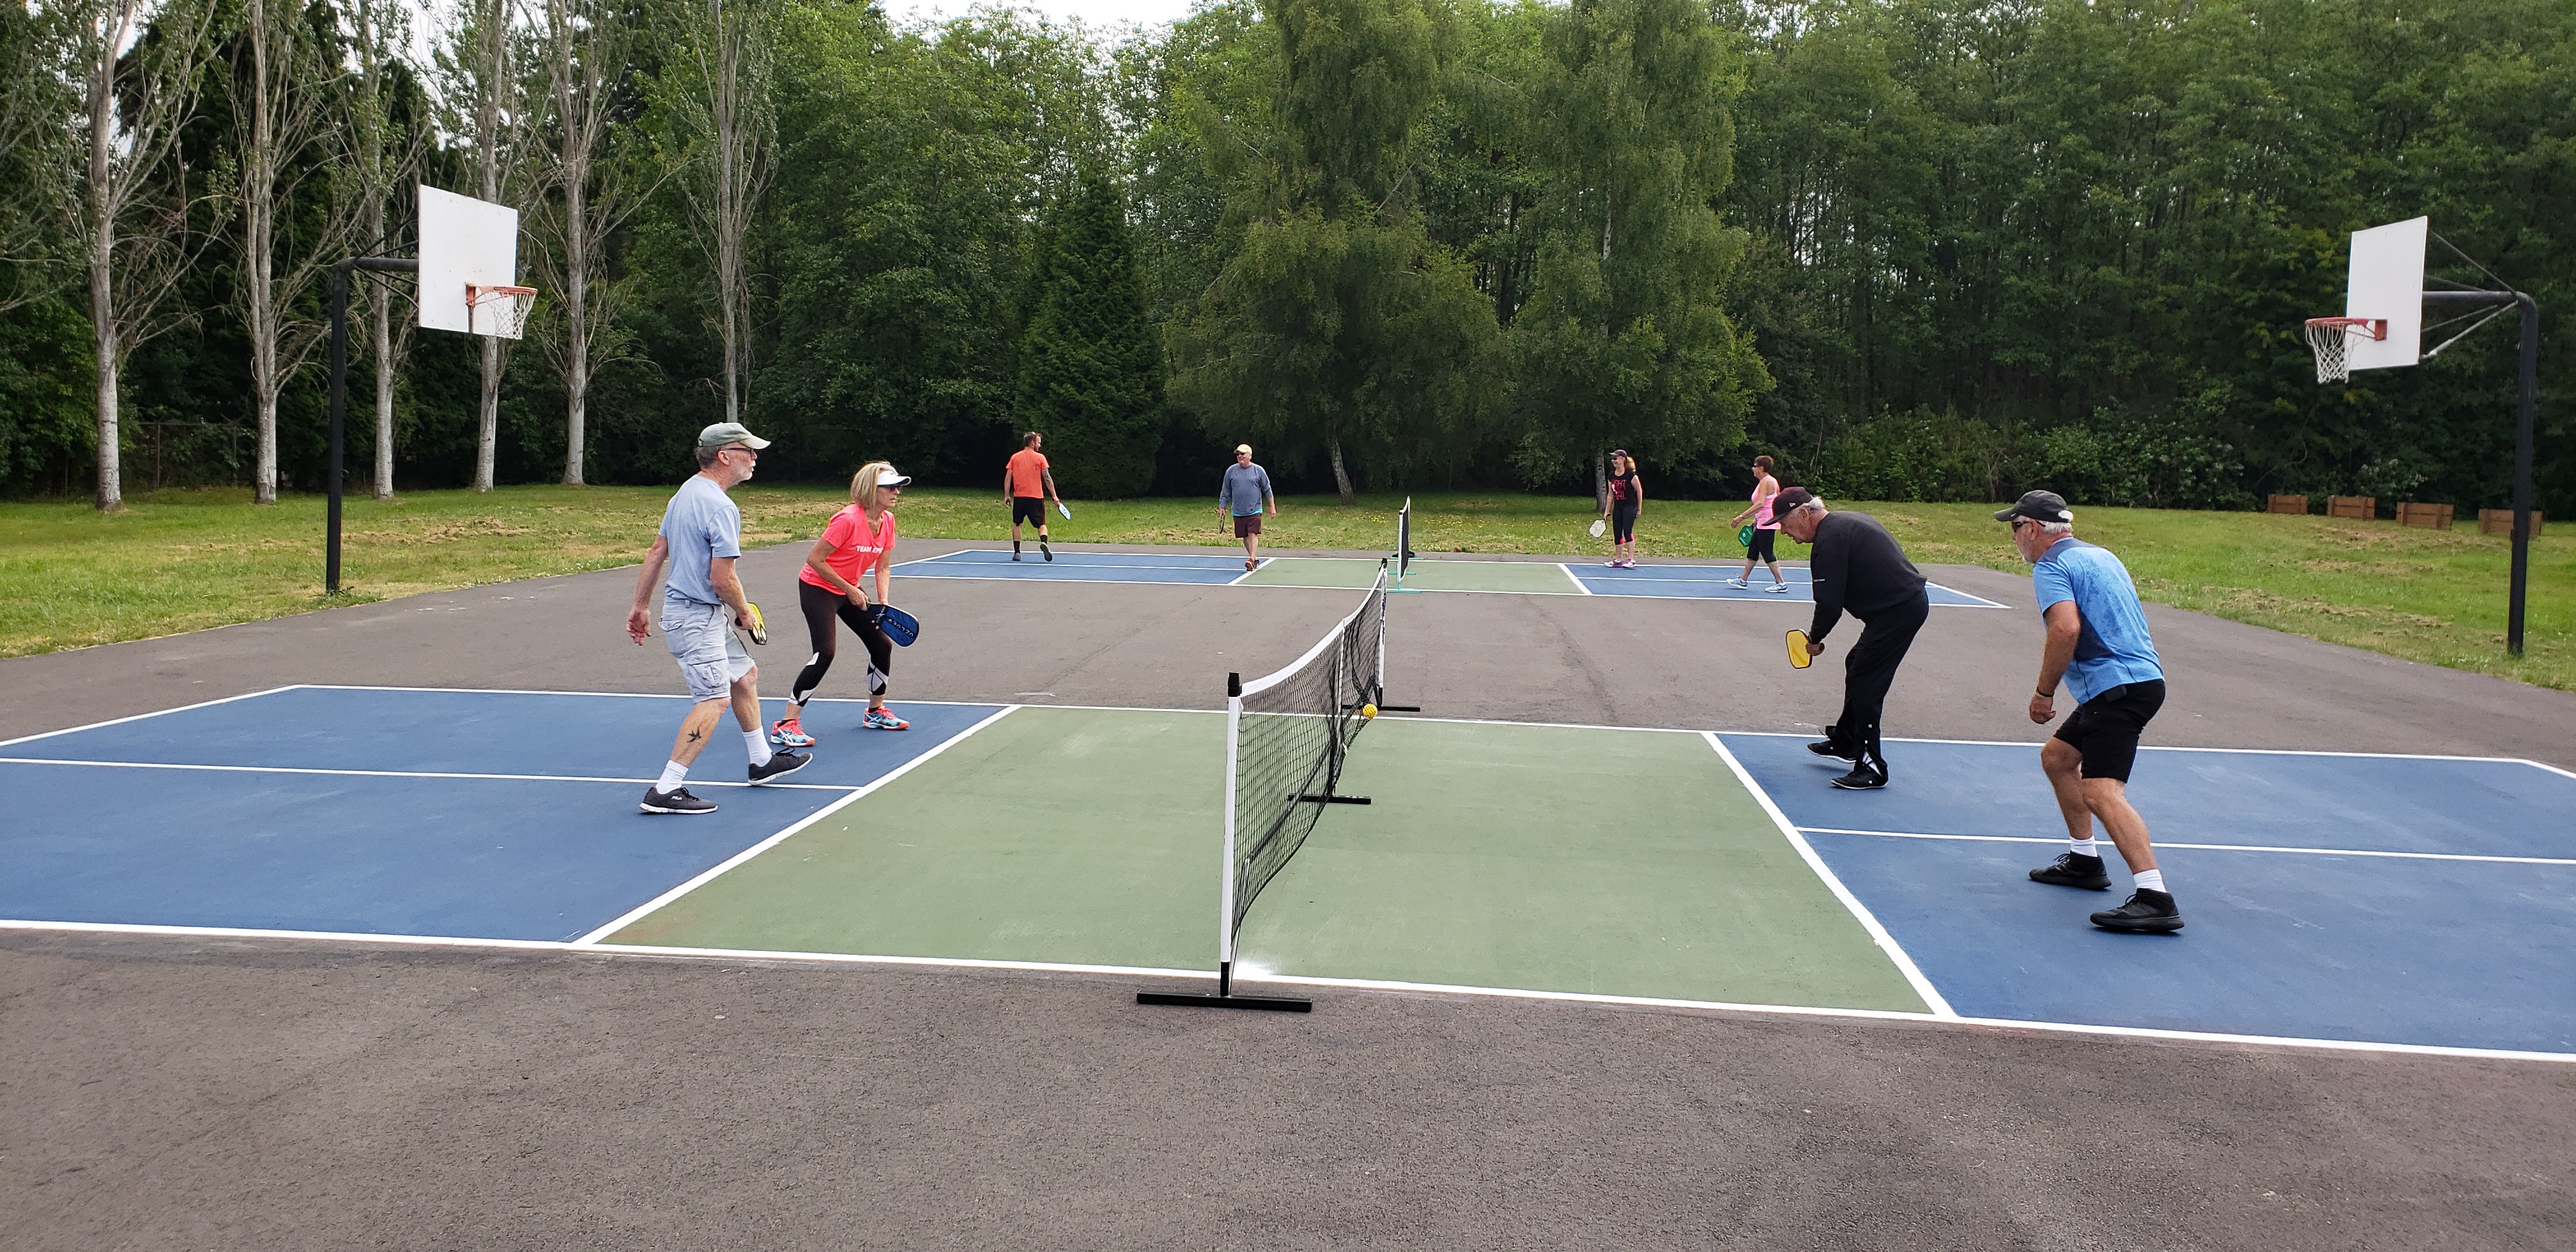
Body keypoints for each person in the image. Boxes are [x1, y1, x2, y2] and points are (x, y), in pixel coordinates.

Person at [1999, 490, 2182, 933]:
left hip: (2116, 688)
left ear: (2035, 529)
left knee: (2102, 792)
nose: (2014, 539)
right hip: (2135, 680)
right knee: (2058, 759)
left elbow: (2065, 629)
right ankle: (2084, 861)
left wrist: (2044, 692)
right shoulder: (2101, 556)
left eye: (2015, 528)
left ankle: (2155, 897)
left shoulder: (2052, 566)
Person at [625, 422, 811, 814]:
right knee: (713, 700)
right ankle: (666, 788)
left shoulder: (687, 492)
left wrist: (641, 606)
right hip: (695, 619)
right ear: (725, 455)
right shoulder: (721, 506)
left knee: (744, 675)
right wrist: (744, 612)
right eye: (749, 451)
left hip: (698, 614)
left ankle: (761, 761)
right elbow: (722, 577)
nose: (755, 457)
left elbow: (658, 549)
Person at [1775, 487, 1928, 790]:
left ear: (1804, 514)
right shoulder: (1845, 523)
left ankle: (1873, 767)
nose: (1782, 531)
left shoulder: (1829, 541)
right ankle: (1847, 742)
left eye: (1784, 523)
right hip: (1900, 606)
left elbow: (1830, 603)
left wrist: (1814, 640)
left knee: (1866, 682)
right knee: (1856, 662)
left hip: (1897, 612)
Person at [771, 461, 914, 747]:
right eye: (890, 487)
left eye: (898, 486)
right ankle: (786, 724)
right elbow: (815, 559)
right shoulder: (847, 520)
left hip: (849, 588)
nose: (897, 491)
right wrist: (849, 588)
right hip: (818, 587)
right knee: (825, 651)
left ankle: (875, 712)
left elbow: (882, 567)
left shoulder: (887, 522)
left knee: (882, 645)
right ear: (871, 490)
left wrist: (883, 602)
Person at [1728, 454, 1791, 592]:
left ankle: (1781, 583)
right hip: (1764, 521)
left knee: (1767, 552)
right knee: (1754, 550)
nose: (1753, 469)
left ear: (1761, 468)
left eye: (1755, 466)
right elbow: (1774, 501)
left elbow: (1761, 503)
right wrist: (1758, 518)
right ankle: (1743, 580)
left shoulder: (1765, 482)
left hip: (1767, 522)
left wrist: (1740, 517)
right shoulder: (1772, 481)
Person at [1003, 432, 1062, 563]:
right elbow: (1047, 478)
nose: (1040, 445)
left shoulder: (1015, 457)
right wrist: (1055, 496)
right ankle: (1044, 542)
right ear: (1032, 442)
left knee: (1017, 524)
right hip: (1036, 498)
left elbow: (1008, 477)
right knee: (1041, 525)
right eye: (1039, 442)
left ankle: (1017, 553)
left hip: (1020, 498)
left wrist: (1007, 495)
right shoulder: (1040, 458)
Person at [1217, 443, 1276, 570]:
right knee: (1245, 536)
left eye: (1243, 454)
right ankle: (1254, 560)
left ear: (1250, 455)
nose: (1240, 456)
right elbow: (1225, 491)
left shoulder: (1258, 470)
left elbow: (1267, 489)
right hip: (1238, 511)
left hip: (1255, 509)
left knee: (1253, 534)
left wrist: (1272, 507)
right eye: (1238, 454)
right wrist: (1222, 507)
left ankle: (1251, 559)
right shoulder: (1231, 471)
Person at [1598, 450, 1643, 568]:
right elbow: (1610, 495)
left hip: (1630, 506)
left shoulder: (1631, 476)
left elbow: (1639, 491)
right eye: (1613, 459)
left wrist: (1639, 509)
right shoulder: (1611, 476)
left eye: (1616, 458)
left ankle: (1631, 559)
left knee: (1627, 531)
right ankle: (1618, 559)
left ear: (1623, 459)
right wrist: (1607, 511)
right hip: (1618, 507)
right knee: (1617, 532)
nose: (1613, 461)